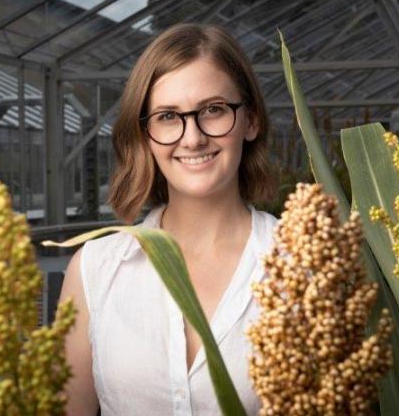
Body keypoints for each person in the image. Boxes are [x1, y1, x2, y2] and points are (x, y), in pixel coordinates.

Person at [59, 23, 278, 415]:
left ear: (251, 121)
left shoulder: (304, 261)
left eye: (213, 110)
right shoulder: (95, 270)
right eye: (167, 116)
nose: (192, 138)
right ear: (144, 135)